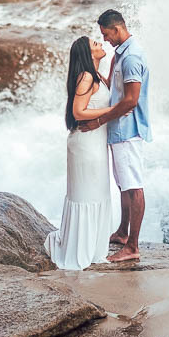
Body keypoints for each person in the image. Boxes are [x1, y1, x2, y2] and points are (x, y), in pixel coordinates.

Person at [79, 9, 151, 263]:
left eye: (106, 34)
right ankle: (122, 232)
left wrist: (99, 120)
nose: (105, 39)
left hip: (128, 131)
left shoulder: (131, 57)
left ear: (117, 29)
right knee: (123, 185)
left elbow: (130, 101)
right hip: (118, 131)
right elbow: (116, 90)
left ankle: (132, 246)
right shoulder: (120, 55)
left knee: (133, 187)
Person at [43, 36, 116, 270]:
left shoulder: (96, 76)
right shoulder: (86, 77)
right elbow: (78, 112)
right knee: (86, 194)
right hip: (86, 143)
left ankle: (91, 247)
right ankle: (79, 249)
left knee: (96, 192)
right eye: (95, 44)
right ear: (87, 53)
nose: (100, 45)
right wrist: (113, 110)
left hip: (94, 142)